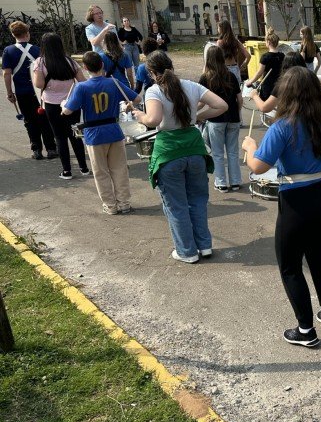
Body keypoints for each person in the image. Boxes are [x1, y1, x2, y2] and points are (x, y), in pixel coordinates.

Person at [242, 66, 321, 347]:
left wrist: (249, 147)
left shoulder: (282, 126)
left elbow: (259, 166)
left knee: (290, 265)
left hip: (298, 201)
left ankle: (306, 330)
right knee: (320, 257)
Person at [132, 51, 228, 263]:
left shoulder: (154, 91)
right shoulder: (191, 85)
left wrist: (139, 115)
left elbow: (153, 119)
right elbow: (222, 105)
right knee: (198, 200)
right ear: (171, 66)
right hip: (194, 147)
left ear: (150, 72)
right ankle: (204, 246)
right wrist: (198, 116)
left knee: (176, 205)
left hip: (169, 151)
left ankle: (186, 251)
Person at [61, 52, 141, 214]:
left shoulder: (81, 87)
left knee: (101, 172)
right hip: (114, 131)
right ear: (102, 65)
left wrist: (63, 104)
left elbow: (68, 111)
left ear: (85, 68)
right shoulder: (114, 82)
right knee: (119, 169)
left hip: (93, 134)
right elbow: (137, 98)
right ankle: (124, 203)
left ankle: (110, 206)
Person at [32, 33, 89, 179]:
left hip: (51, 104)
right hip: (72, 103)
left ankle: (67, 171)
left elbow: (38, 84)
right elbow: (82, 81)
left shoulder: (40, 62)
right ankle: (84, 168)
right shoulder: (70, 61)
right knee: (75, 136)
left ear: (44, 46)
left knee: (60, 137)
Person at [2, 21, 57, 160]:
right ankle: (51, 148)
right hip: (39, 91)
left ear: (13, 34)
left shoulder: (8, 51)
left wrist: (9, 92)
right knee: (44, 119)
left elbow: (7, 73)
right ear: (27, 33)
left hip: (22, 91)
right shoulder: (37, 49)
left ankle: (36, 150)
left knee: (29, 120)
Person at [200, 45, 243, 192]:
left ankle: (221, 183)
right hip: (233, 118)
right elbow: (240, 99)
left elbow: (201, 102)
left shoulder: (206, 77)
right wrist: (236, 113)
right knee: (233, 151)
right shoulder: (231, 75)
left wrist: (193, 113)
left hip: (215, 119)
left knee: (218, 153)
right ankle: (236, 182)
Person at [250, 51, 306, 116]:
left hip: (292, 121)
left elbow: (264, 108)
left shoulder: (284, 84)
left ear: (285, 65)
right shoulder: (311, 78)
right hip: (313, 120)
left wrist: (254, 95)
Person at [244, 27, 284, 100]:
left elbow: (259, 72)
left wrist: (250, 81)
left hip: (268, 84)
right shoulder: (282, 56)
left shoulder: (265, 57)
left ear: (268, 42)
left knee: (267, 107)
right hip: (280, 84)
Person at [215, 20, 250, 84]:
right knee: (237, 91)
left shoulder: (219, 42)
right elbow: (248, 56)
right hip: (235, 69)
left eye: (218, 27)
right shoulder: (236, 41)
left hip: (225, 70)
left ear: (221, 29)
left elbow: (217, 58)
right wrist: (243, 66)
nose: (217, 29)